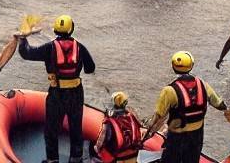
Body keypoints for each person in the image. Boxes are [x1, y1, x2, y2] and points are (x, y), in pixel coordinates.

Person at [17, 15, 96, 163]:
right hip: (76, 94)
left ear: (55, 29)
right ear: (71, 29)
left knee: (52, 129)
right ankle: (76, 158)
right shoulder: (80, 47)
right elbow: (90, 69)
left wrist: (22, 39)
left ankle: (52, 160)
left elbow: (26, 53)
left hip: (56, 94)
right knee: (75, 128)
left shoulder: (49, 48)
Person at [143, 52, 230, 163]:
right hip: (197, 136)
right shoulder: (203, 84)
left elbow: (159, 117)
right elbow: (219, 104)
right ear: (191, 66)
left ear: (173, 67)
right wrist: (227, 110)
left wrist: (148, 133)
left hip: (177, 137)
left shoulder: (169, 90)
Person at [94, 91, 143, 163]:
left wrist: (97, 148)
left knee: (97, 149)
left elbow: (101, 140)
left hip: (118, 156)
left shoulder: (109, 122)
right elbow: (140, 128)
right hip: (134, 153)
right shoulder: (132, 116)